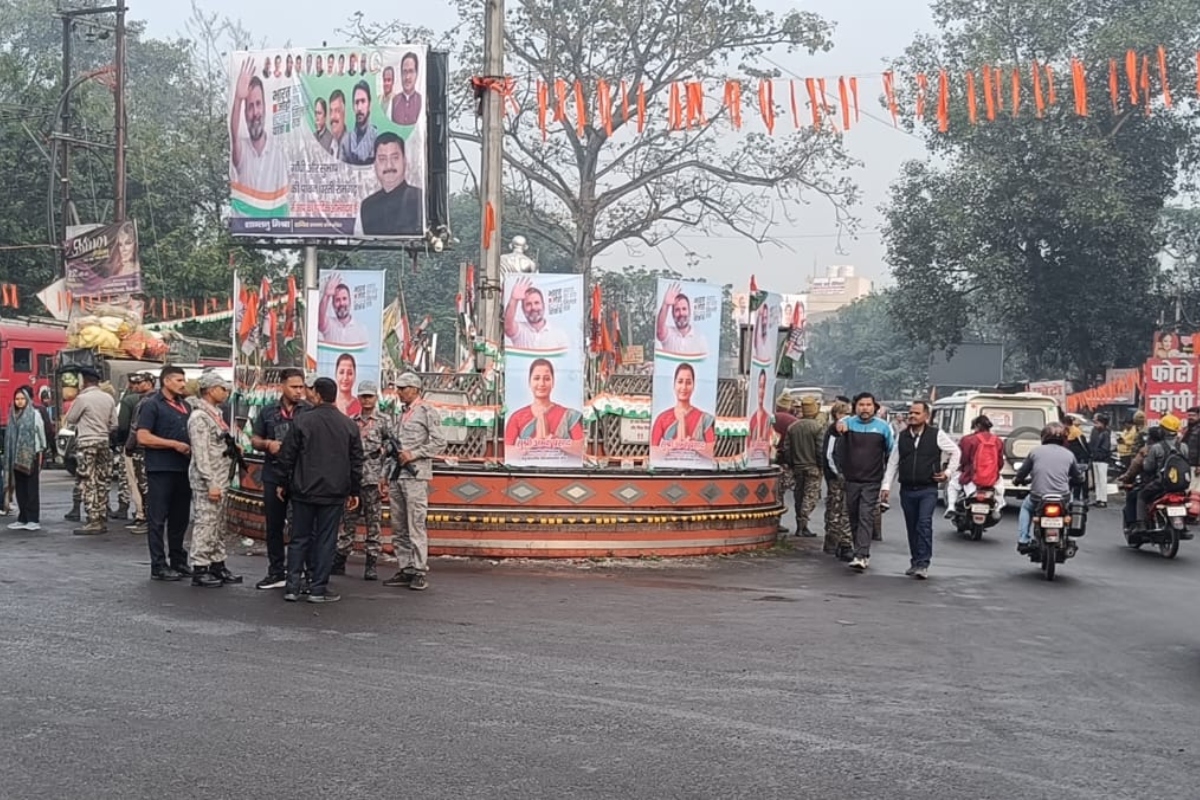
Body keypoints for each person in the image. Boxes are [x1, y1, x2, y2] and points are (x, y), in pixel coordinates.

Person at [276, 377, 364, 604]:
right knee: (326, 540)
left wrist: (282, 483)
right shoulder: (349, 425)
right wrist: (355, 491)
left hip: (303, 490)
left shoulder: (302, 421)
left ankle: (292, 587)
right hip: (334, 493)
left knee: (299, 539)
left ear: (317, 394)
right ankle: (318, 589)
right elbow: (356, 462)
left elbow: (287, 456)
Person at [382, 373, 446, 591]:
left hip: (416, 475)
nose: (399, 392)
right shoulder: (401, 414)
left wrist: (415, 453)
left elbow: (440, 442)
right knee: (398, 525)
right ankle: (405, 566)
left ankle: (419, 569)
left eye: (403, 388)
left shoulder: (426, 411)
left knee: (416, 524)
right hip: (396, 474)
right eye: (398, 388)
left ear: (415, 389)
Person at [883, 400, 960, 579]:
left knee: (924, 523)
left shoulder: (936, 435)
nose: (912, 416)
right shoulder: (902, 436)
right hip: (907, 489)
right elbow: (893, 462)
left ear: (926, 416)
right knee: (912, 526)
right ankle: (915, 560)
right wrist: (886, 486)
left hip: (928, 489)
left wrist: (948, 472)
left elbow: (956, 451)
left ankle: (923, 563)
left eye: (917, 413)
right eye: (910, 412)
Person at [250, 368, 310, 590]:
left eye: (301, 387)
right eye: (294, 387)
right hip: (273, 474)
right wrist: (267, 444)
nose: (298, 391)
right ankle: (276, 570)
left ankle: (300, 572)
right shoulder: (267, 412)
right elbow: (254, 439)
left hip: (300, 477)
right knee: (274, 526)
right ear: (282, 386)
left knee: (301, 527)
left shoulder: (308, 411)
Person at [136, 365, 194, 580]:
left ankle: (178, 560)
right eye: (179, 380)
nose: (183, 384)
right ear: (166, 381)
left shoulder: (186, 406)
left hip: (183, 468)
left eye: (183, 380)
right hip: (161, 468)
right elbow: (143, 437)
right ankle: (158, 564)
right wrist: (172, 444)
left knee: (180, 518)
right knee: (158, 519)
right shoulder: (152, 405)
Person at [186, 372, 242, 588]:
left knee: (219, 524)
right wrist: (210, 482)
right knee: (206, 522)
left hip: (221, 476)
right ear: (210, 390)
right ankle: (200, 566)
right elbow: (201, 454)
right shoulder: (199, 418)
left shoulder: (215, 414)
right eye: (222, 388)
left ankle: (217, 563)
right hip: (208, 480)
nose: (225, 392)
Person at [334, 381, 390, 581]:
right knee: (348, 522)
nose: (366, 400)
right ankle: (340, 560)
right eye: (363, 396)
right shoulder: (351, 421)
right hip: (354, 479)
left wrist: (385, 476)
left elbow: (391, 450)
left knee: (373, 524)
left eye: (370, 396)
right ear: (358, 397)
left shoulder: (384, 421)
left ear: (376, 398)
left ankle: (371, 564)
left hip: (374, 480)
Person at [833, 392, 895, 570]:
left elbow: (892, 452)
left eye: (868, 405)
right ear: (855, 407)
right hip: (851, 480)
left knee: (865, 515)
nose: (865, 408)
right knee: (852, 516)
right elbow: (835, 449)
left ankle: (862, 554)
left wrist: (887, 481)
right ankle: (858, 548)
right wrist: (840, 472)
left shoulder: (883, 427)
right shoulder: (847, 424)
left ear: (874, 407)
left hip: (872, 480)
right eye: (861, 405)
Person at [1012, 422, 1084, 553]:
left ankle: (1023, 540)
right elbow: (1078, 477)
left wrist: (1017, 480)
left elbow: (1022, 472)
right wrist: (1079, 480)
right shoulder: (1069, 454)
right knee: (1072, 508)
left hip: (1038, 496)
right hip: (1063, 496)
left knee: (1026, 507)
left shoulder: (1035, 452)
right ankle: (1072, 538)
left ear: (1044, 436)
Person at [64, 366, 117, 536]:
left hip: (87, 443)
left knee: (88, 481)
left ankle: (93, 520)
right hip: (104, 442)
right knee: (102, 480)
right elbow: (114, 424)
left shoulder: (83, 398)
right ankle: (102, 515)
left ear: (84, 381)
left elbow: (71, 419)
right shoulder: (108, 398)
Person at [229, 58, 289, 208]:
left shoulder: (278, 154)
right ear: (244, 113)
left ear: (265, 107)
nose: (255, 113)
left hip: (274, 227)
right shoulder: (241, 150)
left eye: (258, 104)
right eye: (250, 107)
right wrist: (237, 99)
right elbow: (233, 133)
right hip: (246, 228)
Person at [503, 359, 585, 459]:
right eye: (536, 378)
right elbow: (506, 451)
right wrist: (534, 442)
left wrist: (553, 440)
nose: (541, 383)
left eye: (546, 379)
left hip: (562, 472)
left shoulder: (569, 415)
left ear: (553, 382)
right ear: (529, 382)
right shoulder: (517, 417)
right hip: (528, 471)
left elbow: (582, 448)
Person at [357, 132, 424, 235]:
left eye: (395, 158)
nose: (389, 165)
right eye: (382, 159)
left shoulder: (420, 199)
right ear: (375, 164)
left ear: (404, 161)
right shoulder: (367, 206)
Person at [649, 363, 716, 460]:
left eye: (688, 382)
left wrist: (691, 445)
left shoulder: (704, 419)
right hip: (668, 472)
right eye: (680, 382)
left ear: (693, 386)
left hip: (696, 472)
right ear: (674, 384)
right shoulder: (662, 418)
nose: (684, 387)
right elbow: (653, 452)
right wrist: (674, 445)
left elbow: (712, 451)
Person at [1133, 413, 1188, 532]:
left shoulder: (1156, 448)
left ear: (1163, 430)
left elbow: (1148, 468)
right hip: (1180, 486)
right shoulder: (1183, 447)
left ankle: (1141, 524)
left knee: (1141, 495)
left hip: (1161, 484)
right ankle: (1184, 524)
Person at [946, 414, 1005, 519]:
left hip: (970, 476)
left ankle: (951, 507)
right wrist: (993, 471)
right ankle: (997, 509)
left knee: (952, 485)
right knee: (1000, 489)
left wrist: (962, 468)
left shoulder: (968, 440)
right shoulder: (998, 441)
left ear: (976, 426)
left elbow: (963, 460)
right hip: (992, 478)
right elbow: (1000, 462)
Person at [4, 387, 48, 531]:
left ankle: (33, 519)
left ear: (27, 400)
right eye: (17, 399)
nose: (20, 402)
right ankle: (22, 518)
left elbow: (41, 434)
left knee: (31, 489)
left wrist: (41, 451)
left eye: (22, 399)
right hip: (15, 457)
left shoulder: (34, 414)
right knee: (21, 489)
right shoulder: (12, 415)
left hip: (31, 456)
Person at [116, 372, 154, 529]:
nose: (136, 386)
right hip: (152, 447)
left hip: (140, 448)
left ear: (150, 383)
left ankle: (144, 517)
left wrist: (128, 446)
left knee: (141, 484)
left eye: (140, 383)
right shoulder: (155, 400)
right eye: (134, 383)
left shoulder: (142, 402)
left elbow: (132, 427)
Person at [783, 396, 824, 538]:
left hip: (797, 467)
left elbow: (787, 449)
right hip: (813, 467)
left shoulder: (793, 427)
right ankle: (803, 523)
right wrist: (821, 466)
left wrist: (791, 463)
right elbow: (820, 450)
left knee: (799, 496)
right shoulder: (817, 427)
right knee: (810, 497)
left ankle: (800, 525)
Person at [821, 400, 853, 560]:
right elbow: (829, 455)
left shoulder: (847, 429)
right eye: (843, 414)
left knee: (843, 510)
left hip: (843, 475)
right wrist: (838, 473)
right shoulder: (834, 431)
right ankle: (833, 543)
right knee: (836, 510)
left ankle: (842, 543)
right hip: (835, 477)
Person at [504, 277, 569, 350]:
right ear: (522, 308)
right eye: (528, 304)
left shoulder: (559, 335)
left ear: (543, 305)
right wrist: (514, 299)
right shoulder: (520, 330)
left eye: (536, 303)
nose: (533, 308)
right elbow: (507, 327)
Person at [655, 283, 708, 355]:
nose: (681, 313)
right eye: (677, 310)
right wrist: (665, 305)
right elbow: (660, 331)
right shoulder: (669, 334)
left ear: (689, 311)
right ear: (672, 314)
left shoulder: (700, 339)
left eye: (684, 309)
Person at [318, 273, 370, 345]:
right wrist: (326, 295)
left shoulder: (361, 329)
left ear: (350, 301)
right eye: (337, 300)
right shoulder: (329, 325)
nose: (341, 303)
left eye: (344, 299)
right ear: (333, 304)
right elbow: (320, 320)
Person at [340, 80, 378, 165]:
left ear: (369, 105)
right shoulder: (346, 142)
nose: (359, 108)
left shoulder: (377, 140)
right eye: (356, 102)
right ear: (353, 107)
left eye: (363, 101)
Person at [390, 52, 423, 125]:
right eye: (405, 72)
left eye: (411, 71)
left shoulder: (421, 100)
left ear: (416, 74)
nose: (407, 77)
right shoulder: (395, 101)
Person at [1089, 413, 1113, 507]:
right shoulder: (1095, 431)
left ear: (1103, 423)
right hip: (1096, 458)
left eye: (1097, 422)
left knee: (1102, 480)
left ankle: (1103, 500)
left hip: (1102, 459)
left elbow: (1105, 448)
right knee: (1097, 481)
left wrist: (1097, 454)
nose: (1095, 424)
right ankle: (1098, 498)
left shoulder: (1106, 433)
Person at [1065, 416, 1091, 502]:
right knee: (1071, 477)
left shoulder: (1076, 432)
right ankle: (1072, 496)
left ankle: (1083, 496)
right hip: (1071, 457)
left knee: (1080, 478)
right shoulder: (1066, 432)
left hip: (1080, 458)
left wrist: (1088, 456)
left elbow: (1084, 445)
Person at [746, 370, 772, 449]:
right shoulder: (752, 418)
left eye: (764, 387)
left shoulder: (768, 418)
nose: (762, 392)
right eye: (760, 387)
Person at [327, 90, 348, 160]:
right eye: (331, 111)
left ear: (344, 114)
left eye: (337, 111)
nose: (333, 116)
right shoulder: (327, 146)